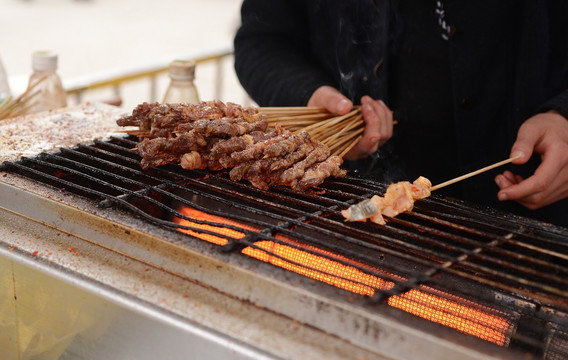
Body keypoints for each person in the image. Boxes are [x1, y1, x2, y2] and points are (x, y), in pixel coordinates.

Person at [233, 0, 568, 228]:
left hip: (528, 210)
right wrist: (310, 96)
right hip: (345, 207)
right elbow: (262, 42)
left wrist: (563, 116)